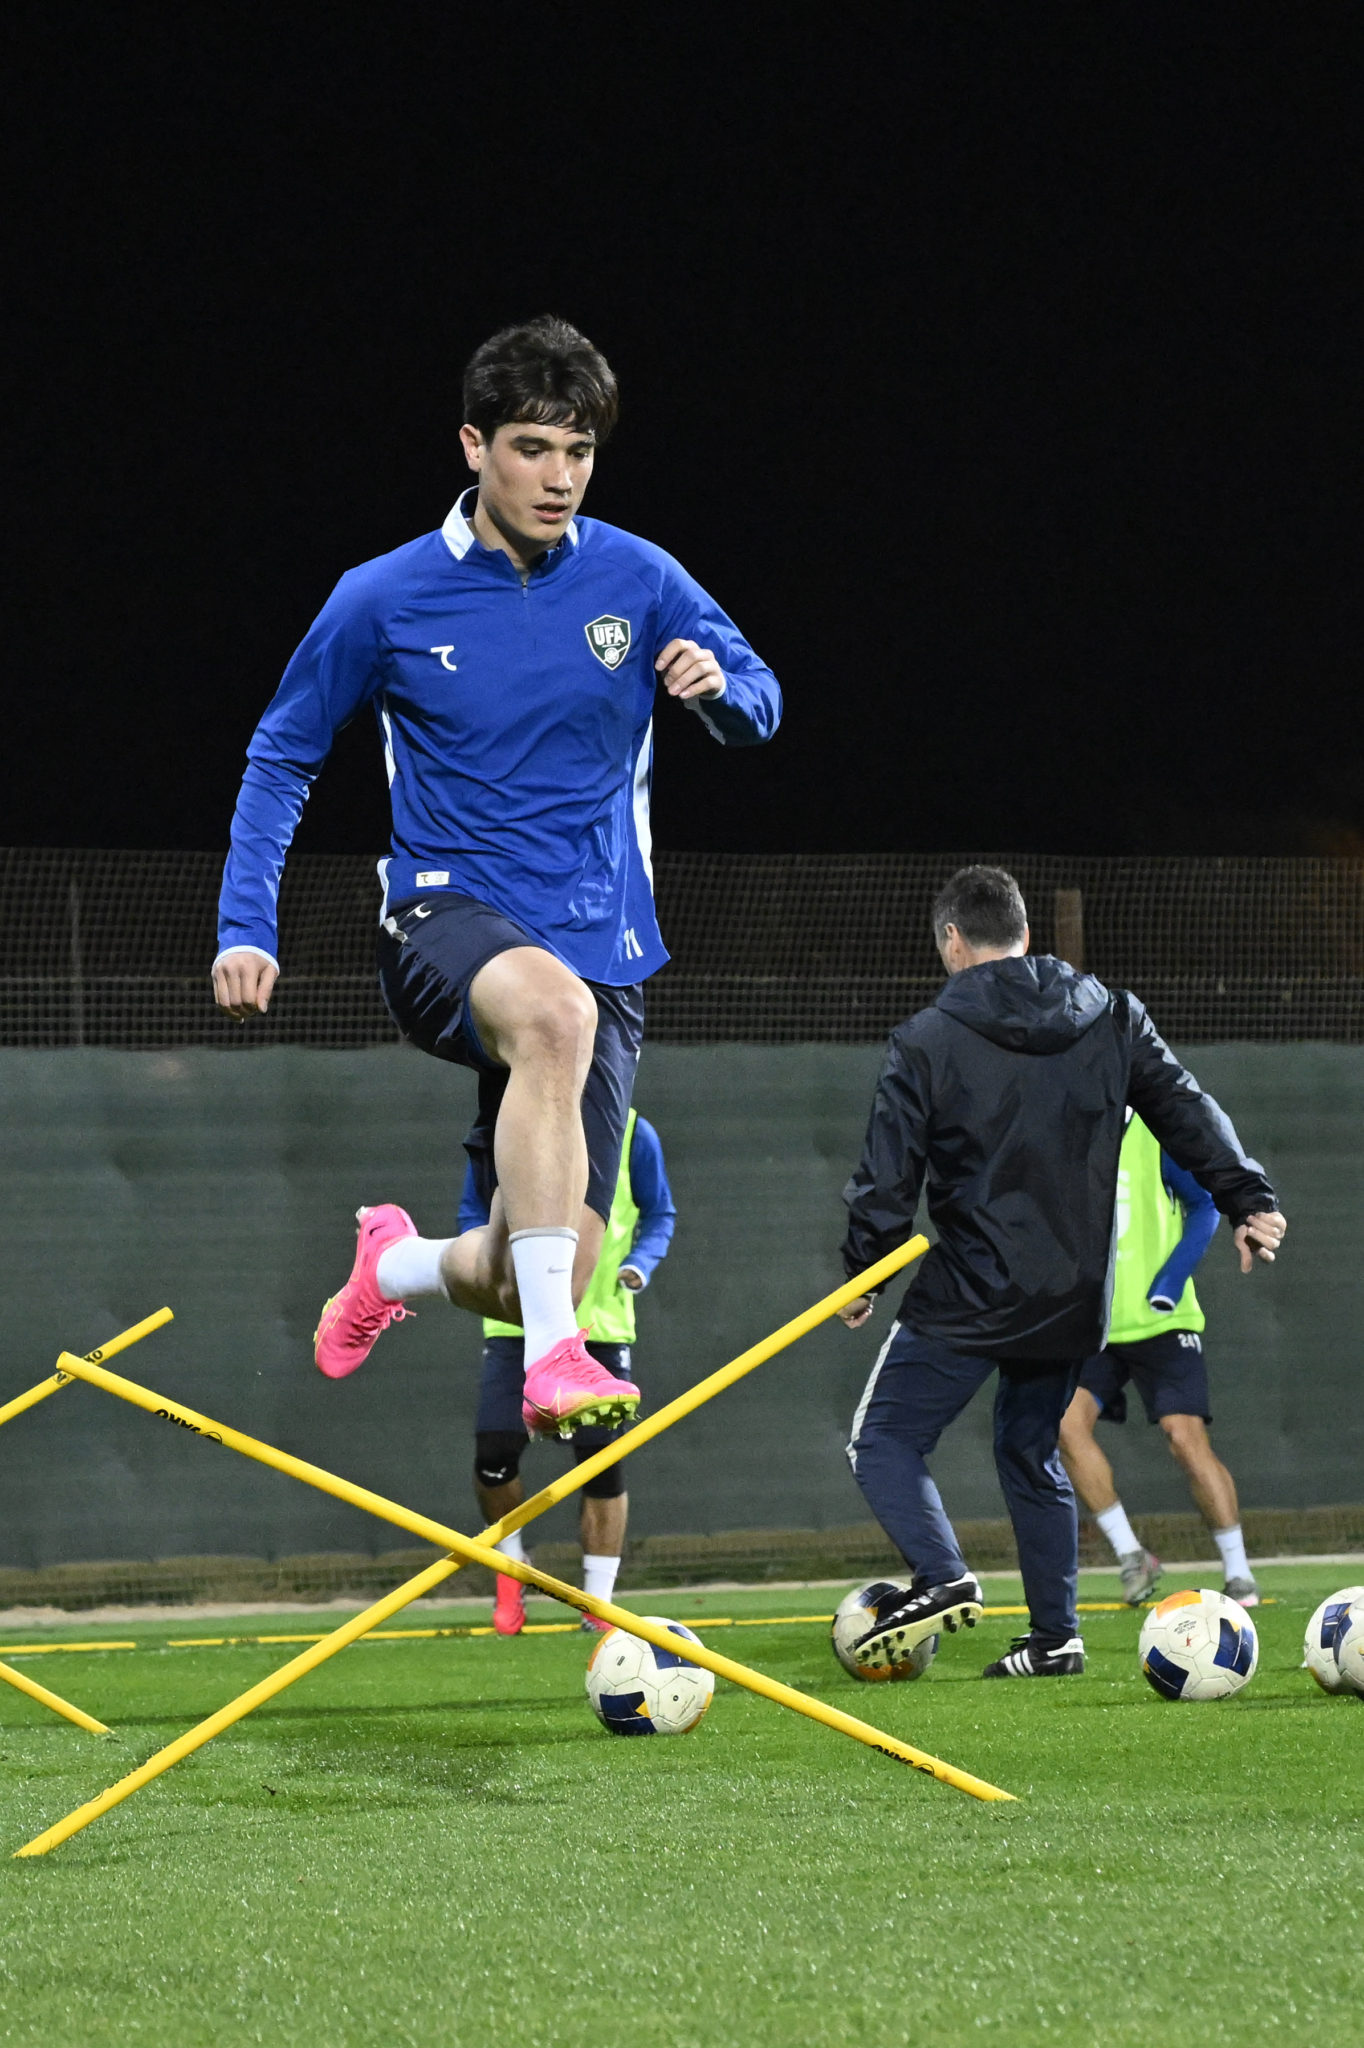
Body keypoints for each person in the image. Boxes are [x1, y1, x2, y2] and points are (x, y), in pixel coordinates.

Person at [211, 317, 779, 1436]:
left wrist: (718, 691)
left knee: (539, 1274)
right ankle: (557, 1360)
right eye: (532, 448)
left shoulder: (639, 576)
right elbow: (282, 753)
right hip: (442, 915)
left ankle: (396, 1265)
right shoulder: (381, 596)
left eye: (579, 452)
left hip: (602, 941)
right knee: (553, 1018)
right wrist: (246, 920)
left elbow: (760, 700)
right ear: (474, 446)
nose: (559, 477)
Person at [835, 865, 1286, 1680]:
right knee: (1030, 1448)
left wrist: (864, 1271)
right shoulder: (1110, 1014)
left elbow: (888, 1176)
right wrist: (1248, 1197)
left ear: (951, 940)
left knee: (884, 1440)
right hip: (1072, 1295)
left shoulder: (926, 1039)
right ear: (1025, 935)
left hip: (970, 1288)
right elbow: (1184, 1107)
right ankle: (1054, 1640)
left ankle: (942, 1575)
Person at [462, 1106, 675, 1636]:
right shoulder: (508, 1118)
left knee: (602, 1462)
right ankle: (511, 1567)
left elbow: (660, 1214)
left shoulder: (632, 1132)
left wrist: (640, 1264)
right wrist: (487, 1269)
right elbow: (472, 1214)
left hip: (600, 1323)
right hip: (516, 1320)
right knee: (494, 1451)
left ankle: (598, 1602)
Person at [1059, 1111, 1261, 1608]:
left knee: (1184, 1438)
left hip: (1163, 1321)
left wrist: (1168, 1284)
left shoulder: (1156, 1135)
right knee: (1064, 1426)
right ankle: (1132, 1555)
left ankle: (1239, 1573)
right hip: (1097, 1326)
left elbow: (1205, 1206)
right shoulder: (1070, 1135)